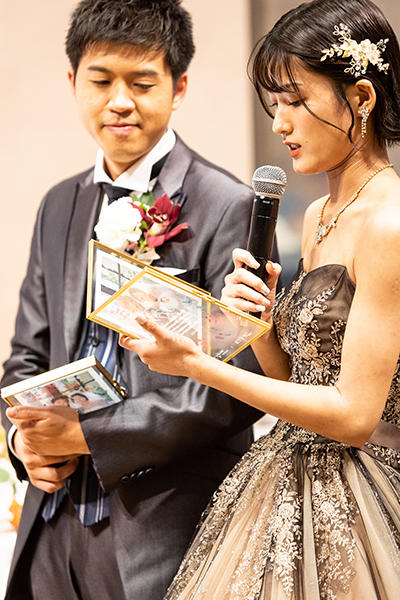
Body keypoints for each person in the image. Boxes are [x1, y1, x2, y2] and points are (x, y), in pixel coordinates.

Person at [119, 0, 400, 598]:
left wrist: (197, 365)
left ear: (361, 98)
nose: (280, 124)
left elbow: (354, 416)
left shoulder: (390, 224)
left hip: (364, 491)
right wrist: (262, 324)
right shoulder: (321, 213)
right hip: (288, 476)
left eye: (296, 101)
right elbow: (298, 380)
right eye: (275, 104)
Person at [0, 1, 278, 598]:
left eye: (142, 83)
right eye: (101, 81)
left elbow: (237, 386)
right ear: (73, 82)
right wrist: (25, 441)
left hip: (165, 526)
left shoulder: (226, 206)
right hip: (51, 523)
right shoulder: (58, 205)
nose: (120, 101)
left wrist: (91, 434)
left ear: (179, 87)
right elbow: (27, 354)